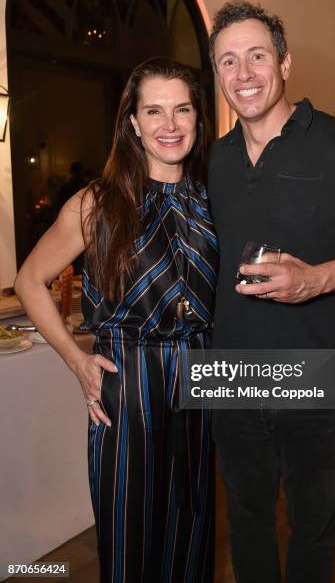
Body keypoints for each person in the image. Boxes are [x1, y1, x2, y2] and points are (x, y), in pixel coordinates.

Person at [207, 2, 335, 583]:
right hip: (230, 373)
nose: (243, 73)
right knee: (246, 517)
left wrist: (319, 277)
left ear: (285, 62)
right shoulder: (213, 161)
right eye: (228, 61)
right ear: (218, 75)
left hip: (317, 370)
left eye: (256, 56)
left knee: (312, 523)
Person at [14, 58, 218, 583]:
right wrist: (77, 360)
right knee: (129, 531)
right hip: (128, 382)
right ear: (132, 122)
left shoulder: (212, 198)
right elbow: (30, 281)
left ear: (198, 118)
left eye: (182, 109)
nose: (169, 125)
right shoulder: (96, 204)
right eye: (154, 111)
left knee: (193, 526)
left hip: (200, 373)